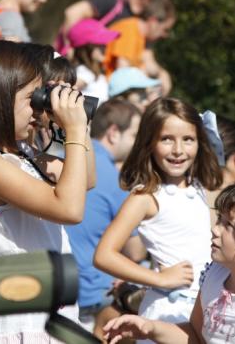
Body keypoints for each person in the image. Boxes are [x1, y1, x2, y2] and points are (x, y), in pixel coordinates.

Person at [0, 40, 92, 341]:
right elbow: (70, 210)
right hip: (19, 324)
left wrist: (75, 128)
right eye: (31, 98)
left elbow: (84, 180)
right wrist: (73, 131)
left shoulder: (22, 155)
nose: (39, 109)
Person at [102, 183, 235, 344]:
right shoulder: (214, 277)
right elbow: (196, 337)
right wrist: (149, 328)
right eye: (219, 220)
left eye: (228, 225)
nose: (214, 230)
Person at [94, 98, 223, 333]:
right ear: (150, 143)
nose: (178, 150)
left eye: (188, 140)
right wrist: (159, 279)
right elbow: (104, 255)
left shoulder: (202, 189)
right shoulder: (145, 197)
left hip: (204, 310)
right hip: (168, 312)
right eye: (166, 139)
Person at [65, 99, 142, 337]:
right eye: (134, 135)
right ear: (113, 133)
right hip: (95, 293)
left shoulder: (65, 159)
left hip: (64, 284)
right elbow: (136, 252)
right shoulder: (112, 178)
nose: (137, 143)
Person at [103, 0, 175, 93]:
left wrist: (162, 74)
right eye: (165, 29)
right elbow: (123, 70)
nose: (164, 35)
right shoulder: (129, 30)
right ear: (153, 21)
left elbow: (149, 64)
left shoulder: (141, 37)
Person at [68, 19, 121, 104]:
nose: (105, 48)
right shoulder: (85, 73)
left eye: (105, 45)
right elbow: (66, 92)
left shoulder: (93, 72)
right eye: (100, 45)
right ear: (87, 48)